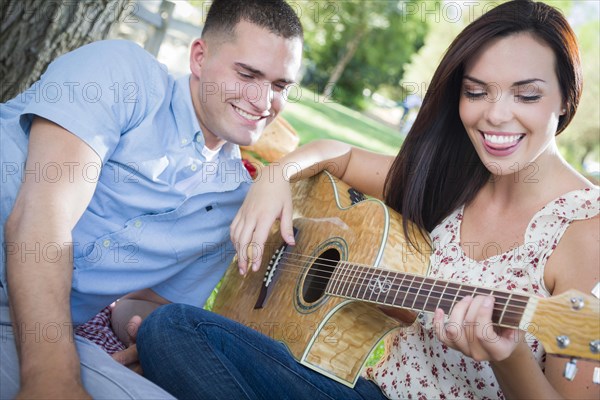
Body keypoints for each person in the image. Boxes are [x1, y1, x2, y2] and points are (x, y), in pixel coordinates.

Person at [136, 1, 599, 399]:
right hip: (368, 390)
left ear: (565, 99)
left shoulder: (586, 230)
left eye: (527, 94)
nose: (496, 115)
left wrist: (509, 356)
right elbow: (339, 155)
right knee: (174, 329)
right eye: (476, 92)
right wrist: (274, 175)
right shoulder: (456, 178)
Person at [0, 0, 303, 397]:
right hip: (43, 340)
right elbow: (40, 217)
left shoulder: (234, 204)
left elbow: (143, 303)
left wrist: (147, 335)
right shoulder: (121, 73)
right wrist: (53, 379)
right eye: (247, 74)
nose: (264, 102)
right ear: (199, 57)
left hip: (33, 329)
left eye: (280, 86)